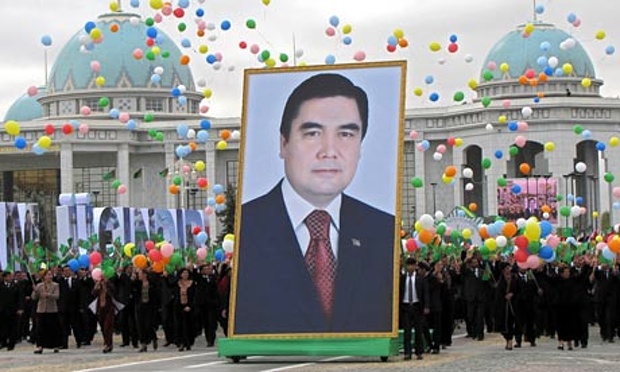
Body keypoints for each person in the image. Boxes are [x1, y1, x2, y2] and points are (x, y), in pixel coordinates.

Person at [235, 72, 396, 334]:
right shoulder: (247, 226)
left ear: (360, 146)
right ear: (284, 143)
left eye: (346, 134)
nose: (329, 151)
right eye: (312, 133)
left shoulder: (383, 230)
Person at [399, 258, 428, 361]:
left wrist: (426, 306)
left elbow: (425, 293)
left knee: (418, 330)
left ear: (416, 266)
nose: (410, 267)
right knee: (407, 331)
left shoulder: (420, 278)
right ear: (406, 266)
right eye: (409, 265)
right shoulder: (402, 279)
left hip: (417, 306)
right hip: (406, 306)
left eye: (412, 265)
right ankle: (407, 352)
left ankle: (419, 352)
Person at [31, 269, 62, 354]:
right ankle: (40, 346)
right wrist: (35, 291)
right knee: (40, 329)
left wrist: (49, 295)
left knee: (53, 328)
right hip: (41, 309)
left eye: (50, 275)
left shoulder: (55, 285)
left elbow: (57, 296)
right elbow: (34, 297)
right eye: (48, 275)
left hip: (52, 310)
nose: (49, 276)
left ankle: (55, 345)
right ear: (44, 276)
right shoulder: (39, 285)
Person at [132, 269, 159, 352]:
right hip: (140, 307)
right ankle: (143, 344)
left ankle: (154, 338)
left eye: (140, 274)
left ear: (145, 275)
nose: (138, 275)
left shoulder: (152, 283)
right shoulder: (137, 283)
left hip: (149, 307)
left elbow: (155, 295)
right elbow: (131, 288)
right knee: (140, 326)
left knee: (148, 325)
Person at [172, 268, 196, 351]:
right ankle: (181, 342)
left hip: (189, 307)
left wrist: (190, 306)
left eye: (186, 273)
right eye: (183, 273)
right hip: (178, 306)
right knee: (179, 325)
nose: (185, 275)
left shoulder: (192, 283)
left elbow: (194, 296)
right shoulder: (177, 283)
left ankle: (188, 342)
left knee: (188, 325)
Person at [92, 277, 117, 353]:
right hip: (100, 309)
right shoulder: (98, 286)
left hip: (109, 309)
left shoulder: (110, 286)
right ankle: (109, 343)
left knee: (107, 326)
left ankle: (107, 344)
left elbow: (114, 292)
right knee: (103, 327)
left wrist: (106, 285)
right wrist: (96, 286)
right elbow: (93, 293)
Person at [0, 271, 23, 351]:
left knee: (13, 328)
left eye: (11, 276)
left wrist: (20, 308)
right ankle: (3, 342)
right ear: (4, 277)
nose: (10, 278)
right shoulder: (1, 286)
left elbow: (20, 298)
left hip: (13, 310)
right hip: (2, 310)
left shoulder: (15, 286)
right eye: (8, 276)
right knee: (3, 327)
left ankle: (11, 344)